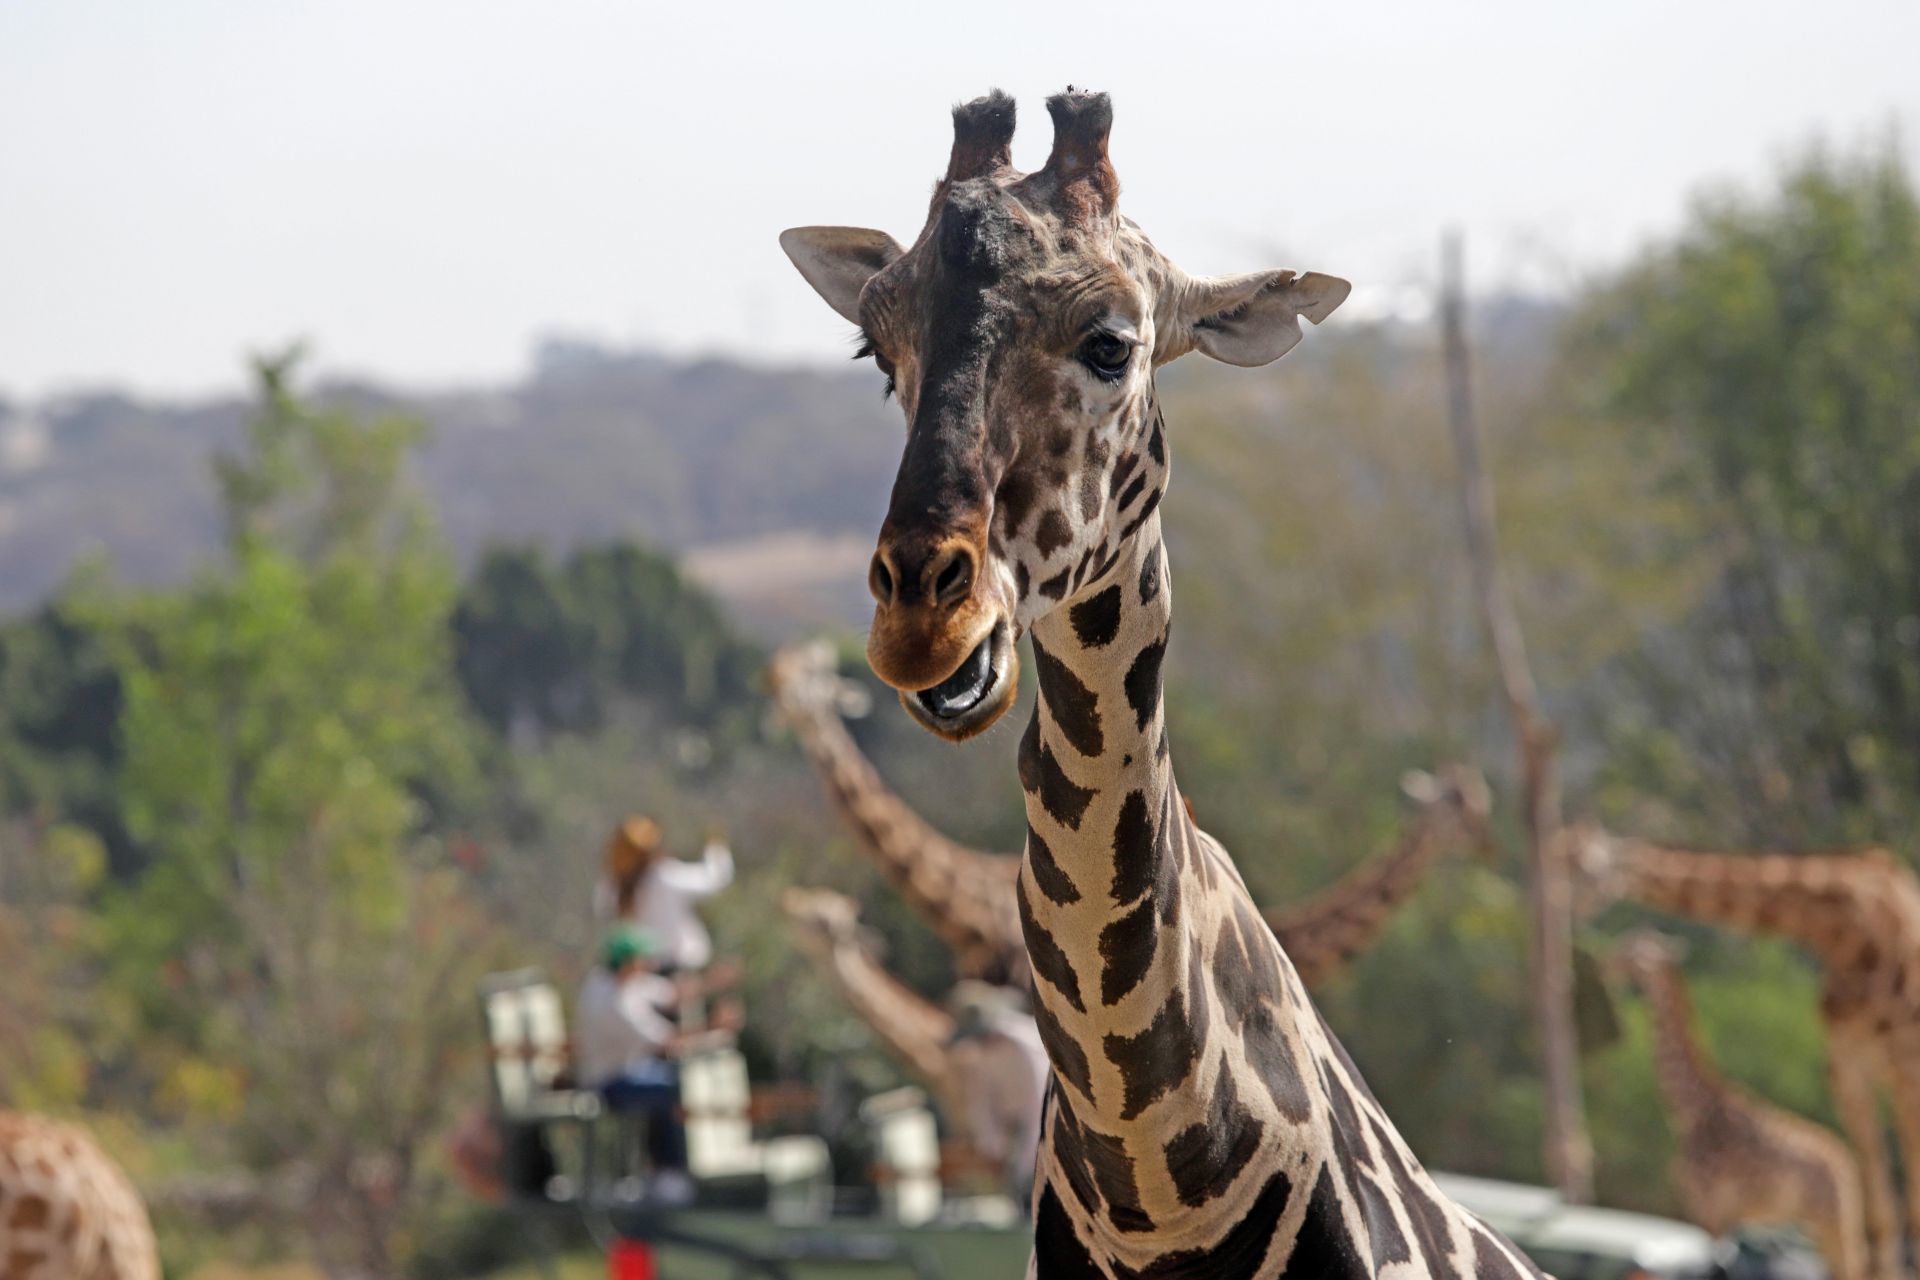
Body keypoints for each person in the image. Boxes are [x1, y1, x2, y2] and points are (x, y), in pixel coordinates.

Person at [574, 927, 696, 1202]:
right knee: (668, 1090)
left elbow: (667, 994)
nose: (649, 964)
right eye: (643, 958)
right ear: (629, 963)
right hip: (608, 1083)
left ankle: (660, 1170)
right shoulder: (610, 1003)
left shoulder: (614, 982)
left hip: (630, 1070)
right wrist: (714, 1029)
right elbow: (664, 1041)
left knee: (666, 1081)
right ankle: (666, 1172)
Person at [946, 981, 1049, 1208]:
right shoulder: (981, 1054)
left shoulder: (1026, 1042)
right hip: (1015, 1130)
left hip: (1048, 1124)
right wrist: (991, 1147)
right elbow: (982, 1102)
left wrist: (1030, 1155)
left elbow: (1040, 1097)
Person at [593, 816, 733, 973]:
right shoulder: (664, 877)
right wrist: (716, 846)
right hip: (677, 968)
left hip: (640, 971)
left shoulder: (612, 886)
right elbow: (715, 880)